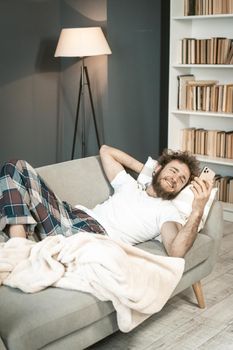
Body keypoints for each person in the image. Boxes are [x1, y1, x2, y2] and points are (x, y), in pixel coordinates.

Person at [0, 145, 213, 257]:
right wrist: (148, 171)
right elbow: (106, 151)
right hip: (71, 215)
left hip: (92, 234)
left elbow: (176, 251)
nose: (175, 178)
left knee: (9, 210)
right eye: (173, 171)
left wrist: (197, 210)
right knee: (15, 166)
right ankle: (21, 246)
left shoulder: (168, 212)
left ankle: (17, 248)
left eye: (181, 179)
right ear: (158, 169)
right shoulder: (129, 185)